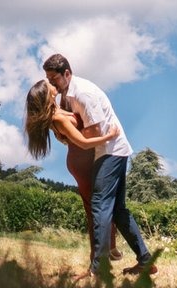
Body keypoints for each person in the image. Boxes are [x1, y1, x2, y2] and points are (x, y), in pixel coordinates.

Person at [31, 54, 154, 277]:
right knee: (118, 210)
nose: (51, 84)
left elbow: (94, 132)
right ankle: (145, 260)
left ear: (66, 74)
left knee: (100, 206)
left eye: (54, 79)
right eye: (47, 79)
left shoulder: (84, 93)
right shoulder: (65, 93)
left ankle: (98, 269)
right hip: (104, 151)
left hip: (110, 151)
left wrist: (70, 136)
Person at [23, 78, 121, 264]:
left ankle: (109, 247)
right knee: (96, 209)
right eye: (50, 84)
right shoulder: (57, 117)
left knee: (99, 206)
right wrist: (110, 136)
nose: (53, 84)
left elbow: (69, 137)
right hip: (83, 160)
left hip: (82, 159)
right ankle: (99, 257)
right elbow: (83, 143)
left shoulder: (57, 110)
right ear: (47, 94)